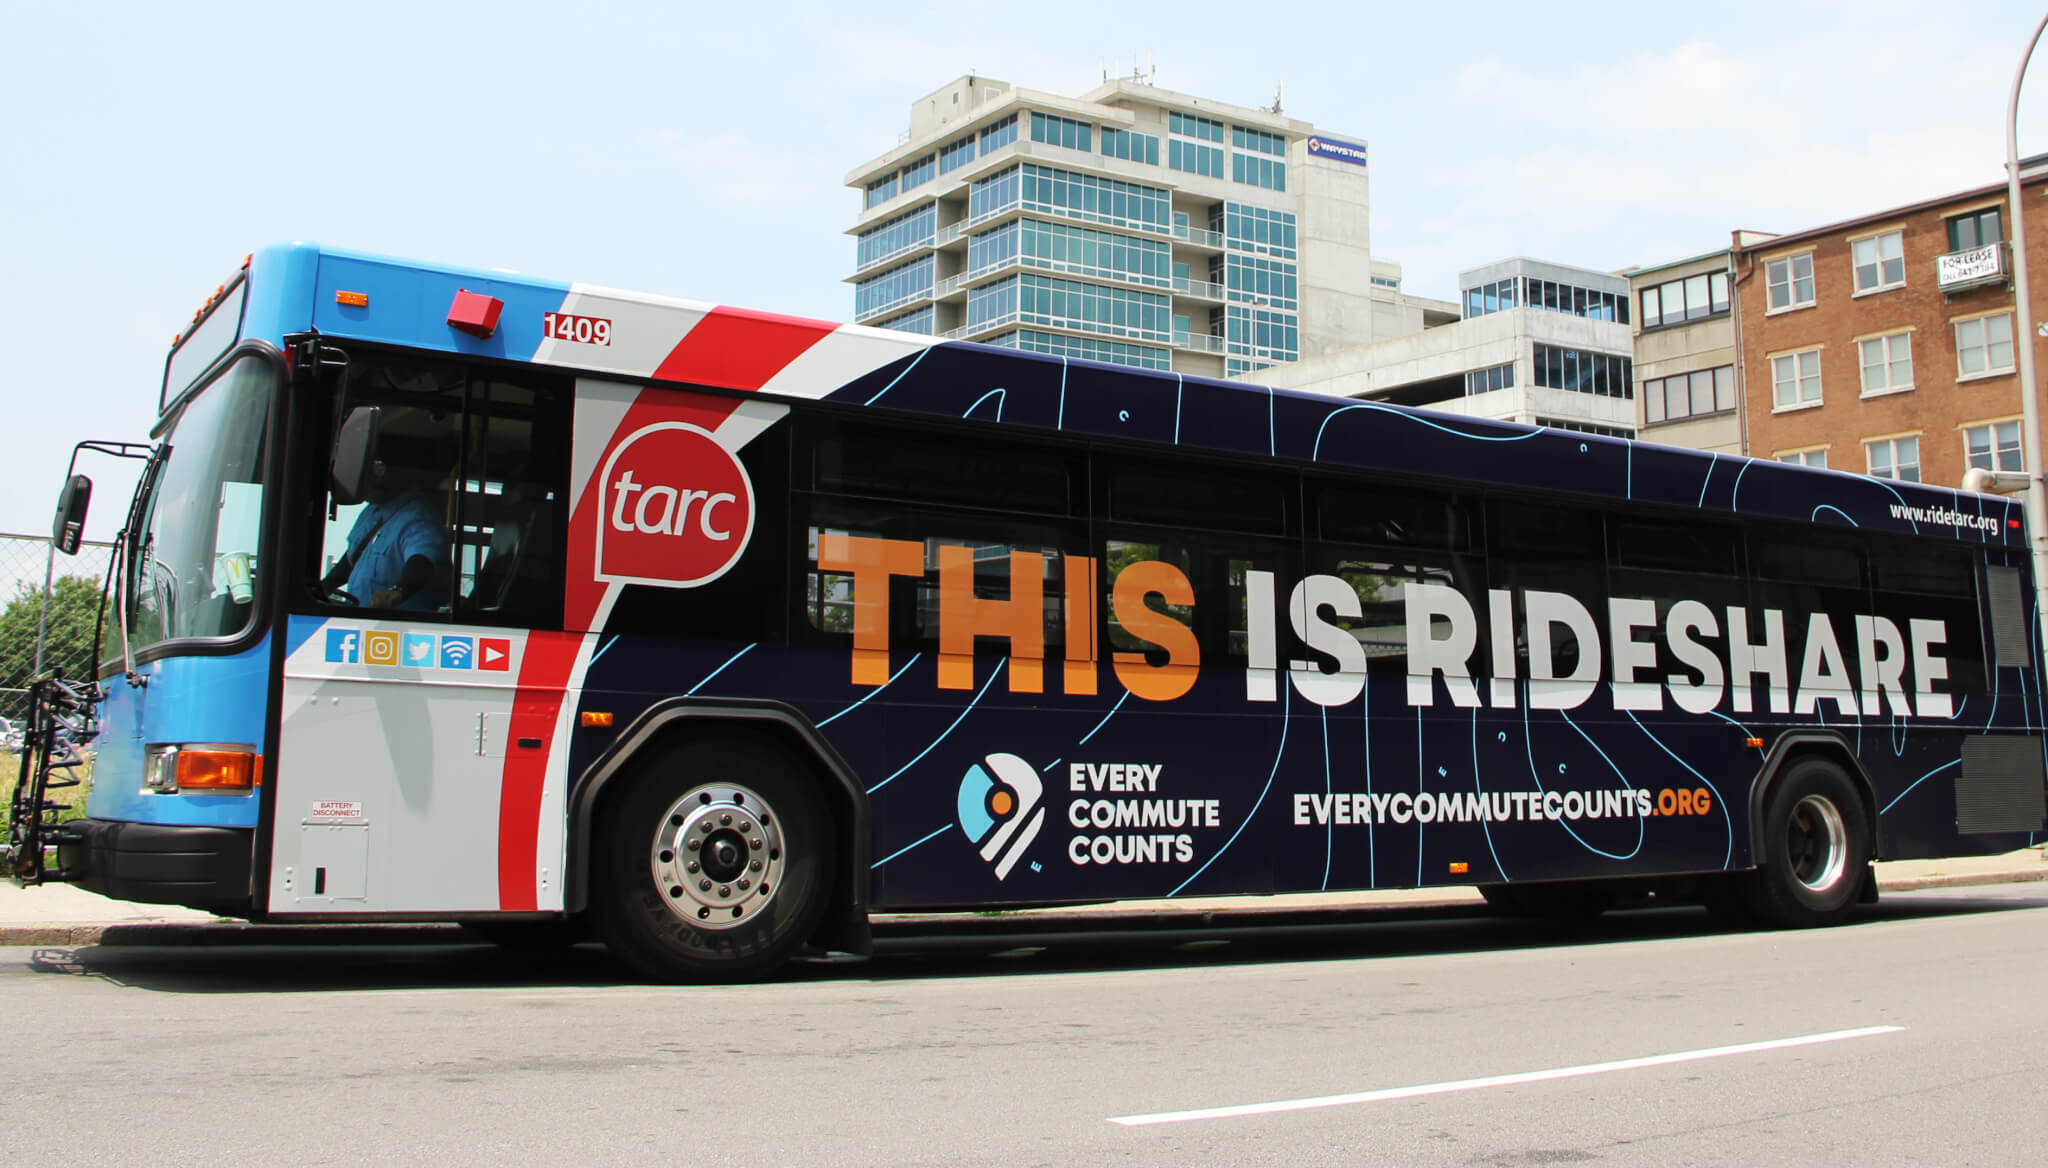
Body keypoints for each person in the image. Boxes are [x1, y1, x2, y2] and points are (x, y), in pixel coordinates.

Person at [320, 460, 450, 610]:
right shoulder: (371, 511)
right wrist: (325, 586)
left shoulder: (419, 517)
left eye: (376, 472)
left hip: (397, 621)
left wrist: (398, 592)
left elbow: (422, 560)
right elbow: (353, 557)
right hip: (360, 616)